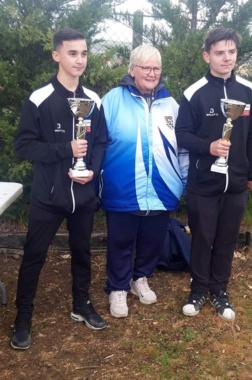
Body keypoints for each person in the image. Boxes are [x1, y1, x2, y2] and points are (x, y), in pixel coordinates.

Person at [11, 28, 107, 350]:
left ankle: (81, 304)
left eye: (83, 53)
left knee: (82, 253)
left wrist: (91, 169)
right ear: (56, 55)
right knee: (33, 256)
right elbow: (23, 146)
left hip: (83, 195)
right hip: (48, 197)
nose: (79, 60)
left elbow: (101, 142)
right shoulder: (39, 99)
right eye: (72, 53)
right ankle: (23, 316)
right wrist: (64, 149)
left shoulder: (93, 100)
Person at [175, 27, 252, 321]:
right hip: (203, 182)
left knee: (226, 238)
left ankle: (220, 290)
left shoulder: (248, 91)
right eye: (219, 53)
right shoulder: (193, 93)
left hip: (236, 183)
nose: (226, 58)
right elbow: (182, 135)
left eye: (231, 52)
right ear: (207, 56)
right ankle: (198, 289)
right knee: (202, 237)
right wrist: (208, 147)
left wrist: (251, 172)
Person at [99, 44, 188, 318]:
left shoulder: (171, 105)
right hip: (122, 187)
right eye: (145, 67)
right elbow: (98, 145)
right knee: (120, 241)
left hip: (162, 189)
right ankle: (117, 287)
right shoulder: (113, 100)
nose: (151, 73)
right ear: (132, 69)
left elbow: (182, 147)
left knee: (152, 239)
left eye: (156, 68)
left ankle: (141, 278)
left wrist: (183, 181)